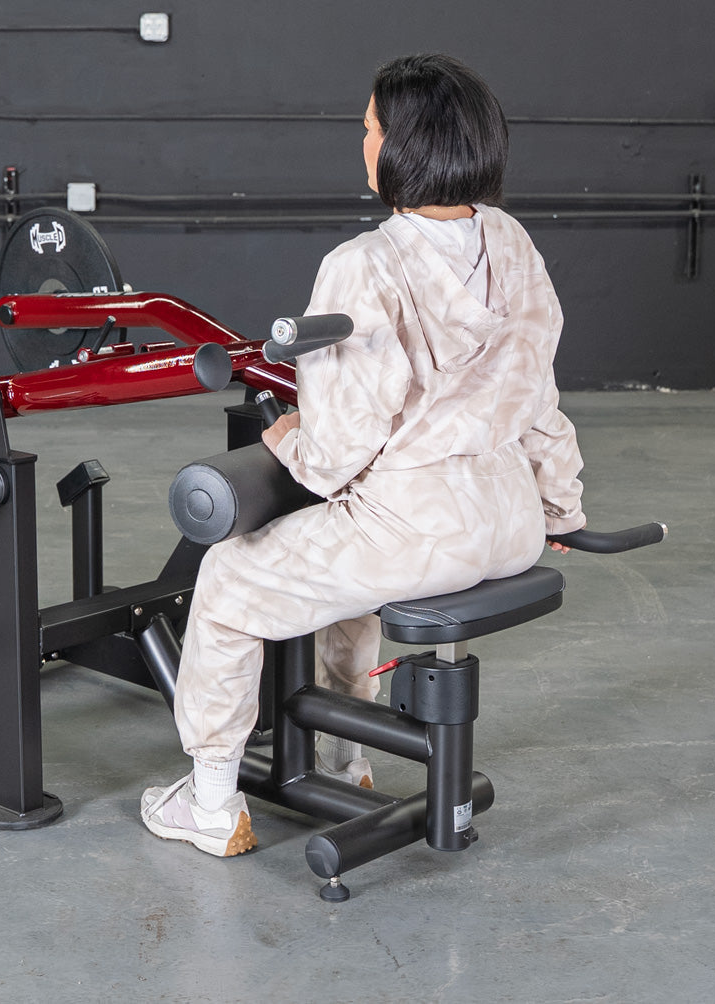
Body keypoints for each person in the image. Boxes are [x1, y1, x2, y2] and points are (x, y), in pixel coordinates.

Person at [141, 53, 586, 857]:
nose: (365, 141)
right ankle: (346, 762)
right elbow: (538, 394)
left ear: (405, 146)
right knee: (343, 583)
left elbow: (337, 452)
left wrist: (287, 440)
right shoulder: (511, 242)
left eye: (371, 127)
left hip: (416, 532)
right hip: (511, 519)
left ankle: (208, 804)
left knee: (230, 579)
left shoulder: (364, 266)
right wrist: (561, 507)